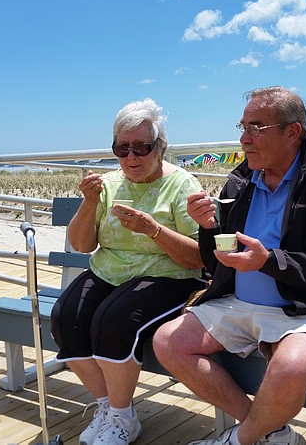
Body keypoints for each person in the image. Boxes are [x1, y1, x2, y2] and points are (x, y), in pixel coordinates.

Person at [153, 87, 306, 445]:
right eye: (243, 126)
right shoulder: (240, 182)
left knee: (291, 365)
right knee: (167, 341)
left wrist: (270, 262)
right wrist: (208, 229)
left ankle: (238, 440)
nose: (243, 138)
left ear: (292, 132)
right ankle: (271, 432)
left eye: (256, 128)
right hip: (237, 304)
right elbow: (215, 263)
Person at [49, 99, 206, 445]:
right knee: (66, 317)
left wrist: (154, 231)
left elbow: (198, 258)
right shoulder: (106, 184)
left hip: (169, 276)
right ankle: (109, 406)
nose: (131, 157)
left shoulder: (182, 185)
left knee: (113, 319)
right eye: (122, 148)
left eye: (141, 147)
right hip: (110, 272)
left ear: (160, 147)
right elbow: (81, 245)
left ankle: (122, 418)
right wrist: (90, 203)